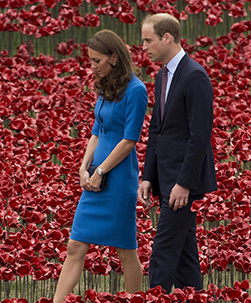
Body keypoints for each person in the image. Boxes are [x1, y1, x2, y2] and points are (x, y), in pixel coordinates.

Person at [53, 29, 148, 302]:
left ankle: (135, 299)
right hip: (95, 174)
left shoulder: (136, 90)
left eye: (97, 61)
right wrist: (84, 168)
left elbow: (129, 140)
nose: (93, 66)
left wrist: (101, 171)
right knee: (75, 246)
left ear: (114, 57)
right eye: (91, 61)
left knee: (125, 250)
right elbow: (96, 131)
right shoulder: (106, 86)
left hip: (117, 179)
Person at [137, 13, 217, 293]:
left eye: (148, 40)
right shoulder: (162, 76)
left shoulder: (194, 76)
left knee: (163, 250)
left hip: (182, 182)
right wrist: (148, 176)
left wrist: (184, 183)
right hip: (165, 177)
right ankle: (194, 295)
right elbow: (157, 130)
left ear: (167, 37)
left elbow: (200, 136)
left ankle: (155, 297)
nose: (144, 46)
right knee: (184, 255)